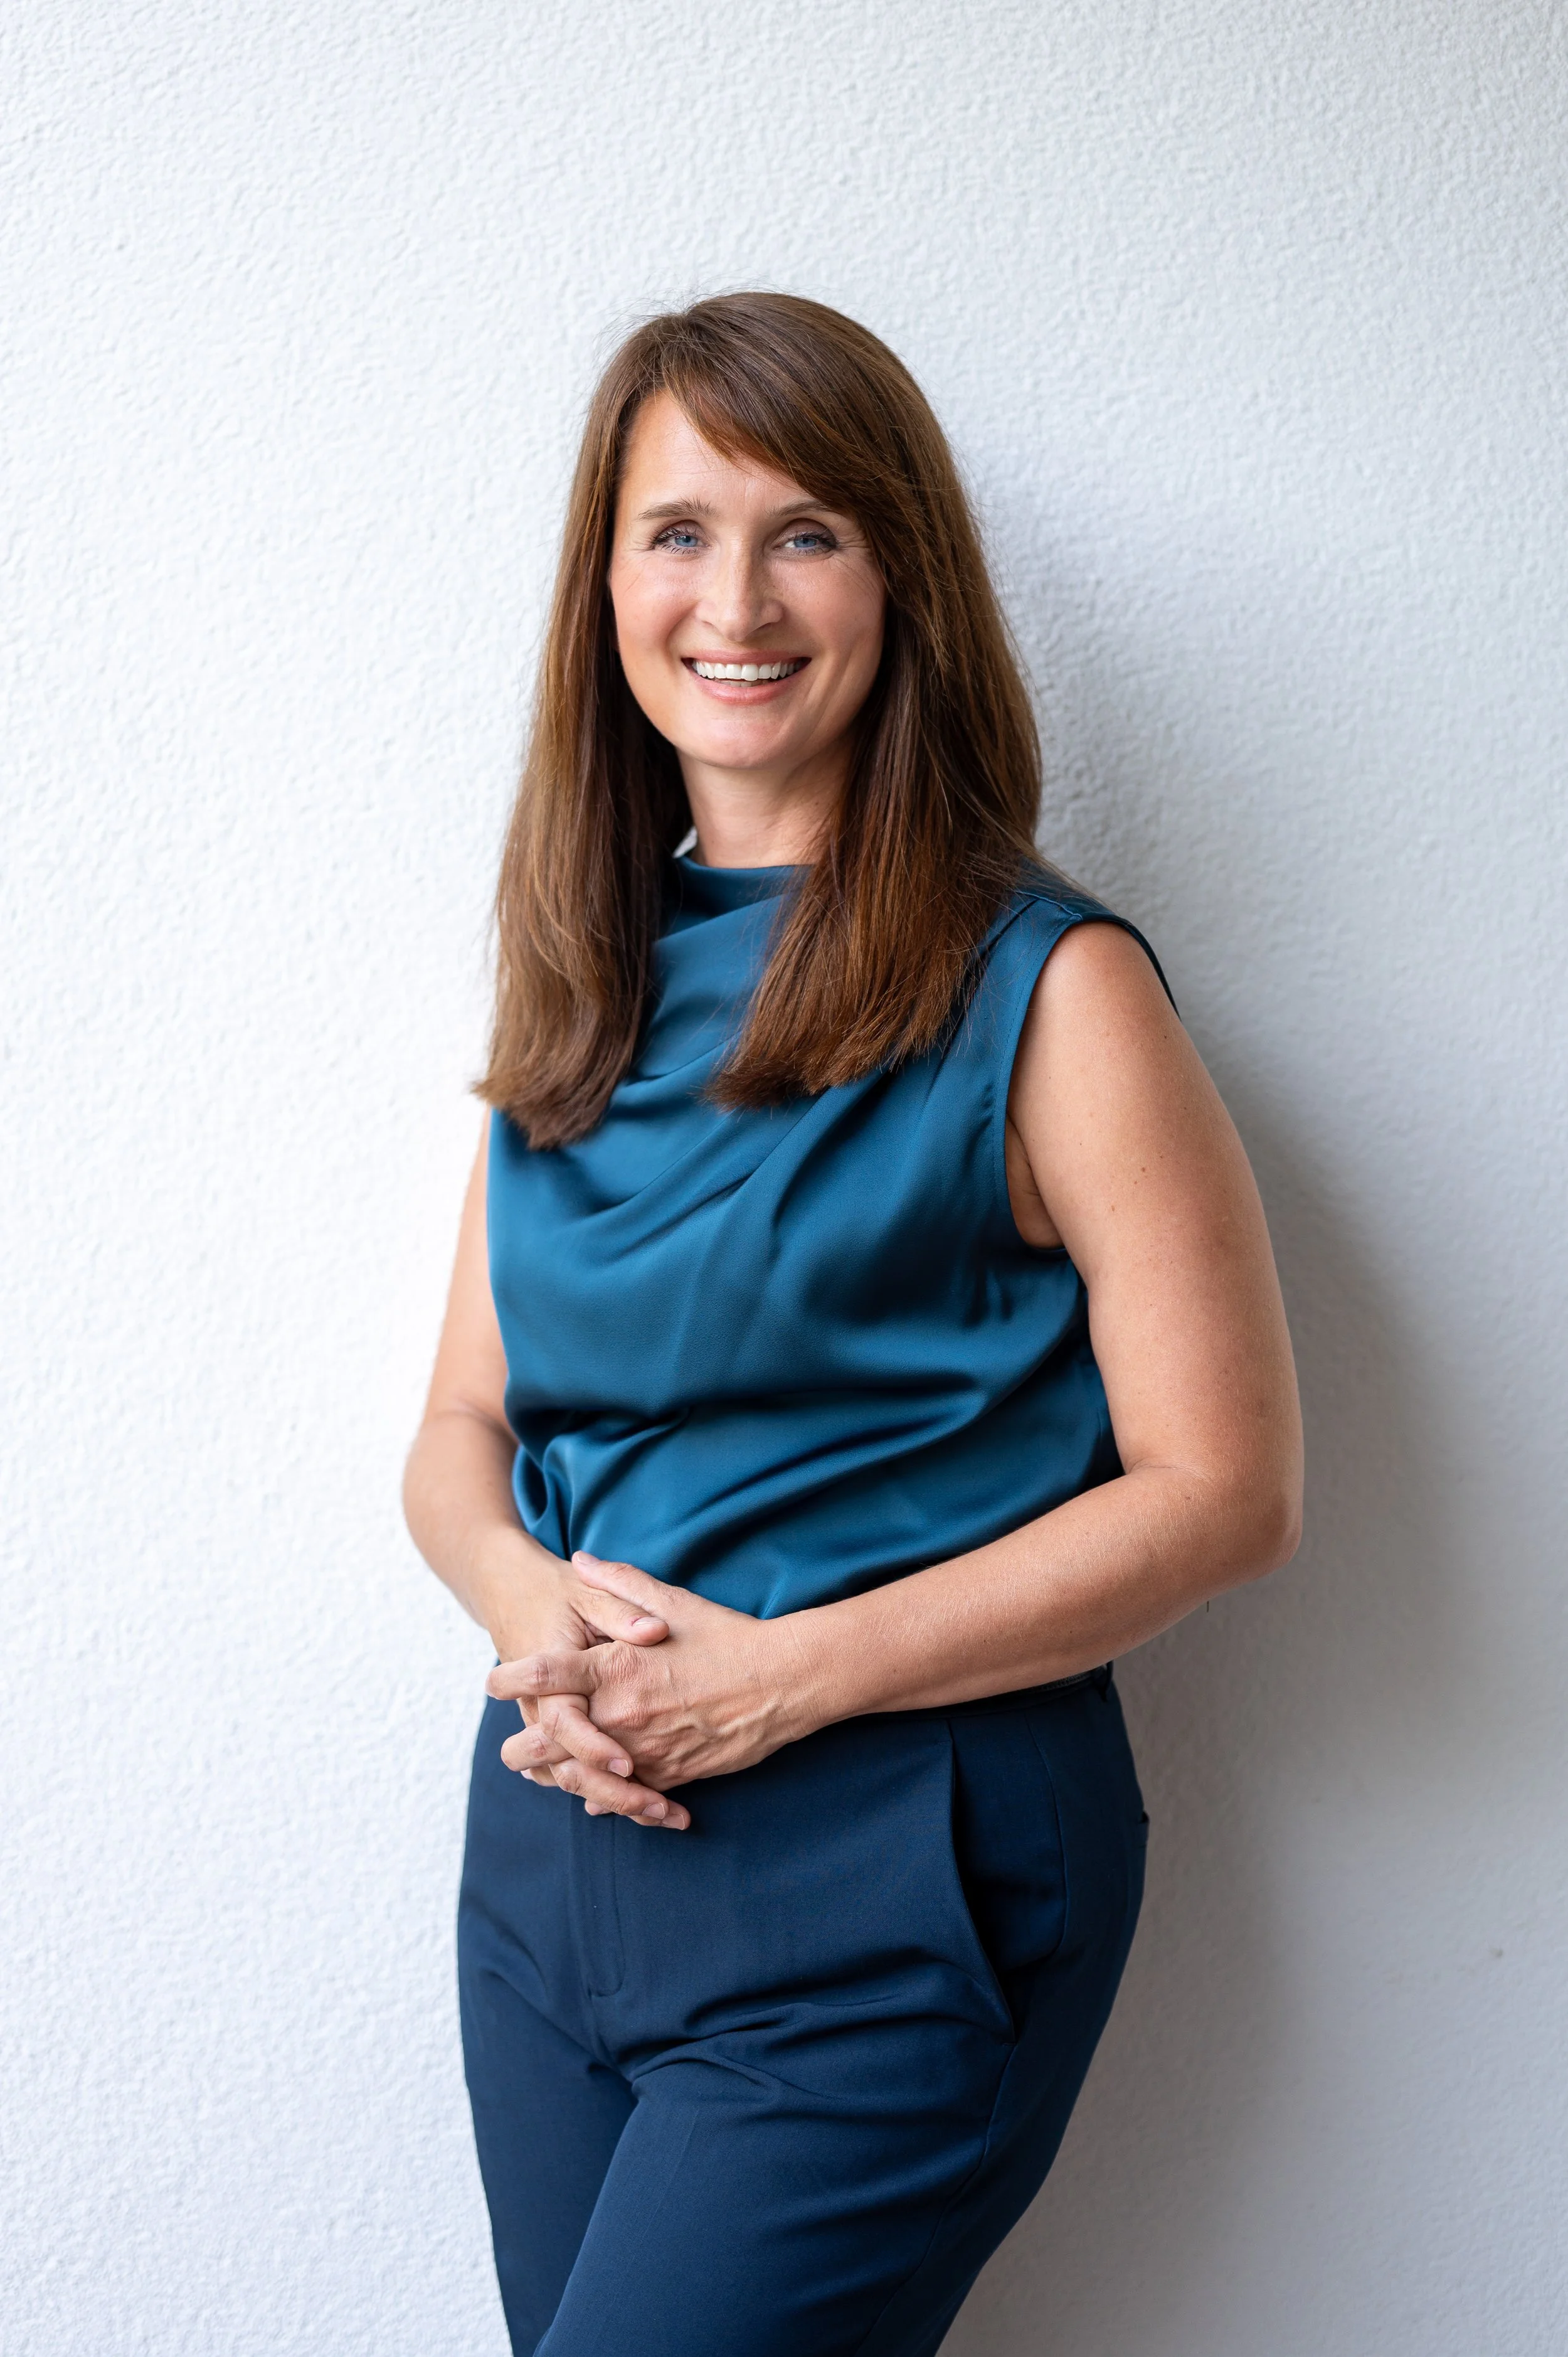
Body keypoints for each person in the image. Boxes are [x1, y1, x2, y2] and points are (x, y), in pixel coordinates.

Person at [403, 291, 1302, 2357]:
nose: (735, 595)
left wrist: (780, 1683)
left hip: (893, 1882)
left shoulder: (1048, 990)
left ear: (902, 580)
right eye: (676, 529)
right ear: (602, 582)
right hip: (558, 1868)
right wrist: (545, 1614)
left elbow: (1228, 1488)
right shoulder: (580, 982)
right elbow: (458, 1424)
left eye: (807, 530)